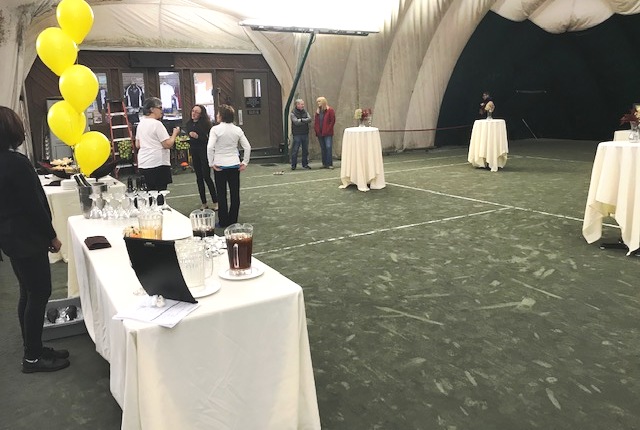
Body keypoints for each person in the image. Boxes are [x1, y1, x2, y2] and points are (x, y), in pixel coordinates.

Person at [0, 106, 70, 373]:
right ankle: (32, 357)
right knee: (39, 292)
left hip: (11, 236)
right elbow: (33, 206)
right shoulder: (16, 163)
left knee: (27, 291)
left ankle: (33, 346)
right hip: (26, 236)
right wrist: (51, 235)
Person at [207, 105, 251, 228]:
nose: (216, 115)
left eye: (218, 114)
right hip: (234, 165)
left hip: (220, 166)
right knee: (235, 194)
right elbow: (247, 147)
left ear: (221, 116)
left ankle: (223, 221)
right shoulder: (237, 130)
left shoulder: (215, 129)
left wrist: (211, 163)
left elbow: (210, 147)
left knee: (221, 194)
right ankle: (233, 219)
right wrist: (245, 162)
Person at [136, 97, 180, 192]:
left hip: (144, 163)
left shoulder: (141, 124)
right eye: (159, 108)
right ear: (152, 109)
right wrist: (174, 134)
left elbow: (138, 144)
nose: (161, 110)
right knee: (160, 193)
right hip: (158, 163)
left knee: (148, 194)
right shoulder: (157, 124)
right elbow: (167, 144)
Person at [184, 105, 218, 210]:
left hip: (204, 151)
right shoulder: (188, 123)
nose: (193, 113)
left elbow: (209, 139)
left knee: (207, 177)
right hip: (194, 151)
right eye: (193, 111)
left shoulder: (206, 124)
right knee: (199, 178)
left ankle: (216, 201)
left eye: (196, 112)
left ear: (201, 114)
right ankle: (204, 202)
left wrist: (198, 136)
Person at [290, 99, 312, 170]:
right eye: (301, 104)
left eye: (303, 104)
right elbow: (296, 122)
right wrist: (304, 120)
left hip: (305, 133)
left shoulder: (305, 111)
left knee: (305, 150)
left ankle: (305, 164)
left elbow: (309, 119)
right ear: (297, 105)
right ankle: (293, 165)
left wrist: (301, 120)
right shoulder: (293, 113)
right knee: (295, 150)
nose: (303, 105)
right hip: (297, 134)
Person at [314, 96, 336, 169]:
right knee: (323, 148)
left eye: (319, 101)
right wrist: (317, 130)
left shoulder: (330, 110)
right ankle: (324, 163)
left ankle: (329, 164)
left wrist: (328, 129)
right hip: (320, 133)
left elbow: (332, 121)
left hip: (327, 133)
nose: (318, 103)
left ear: (323, 102)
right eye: (317, 102)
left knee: (328, 147)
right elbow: (316, 122)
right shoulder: (318, 112)